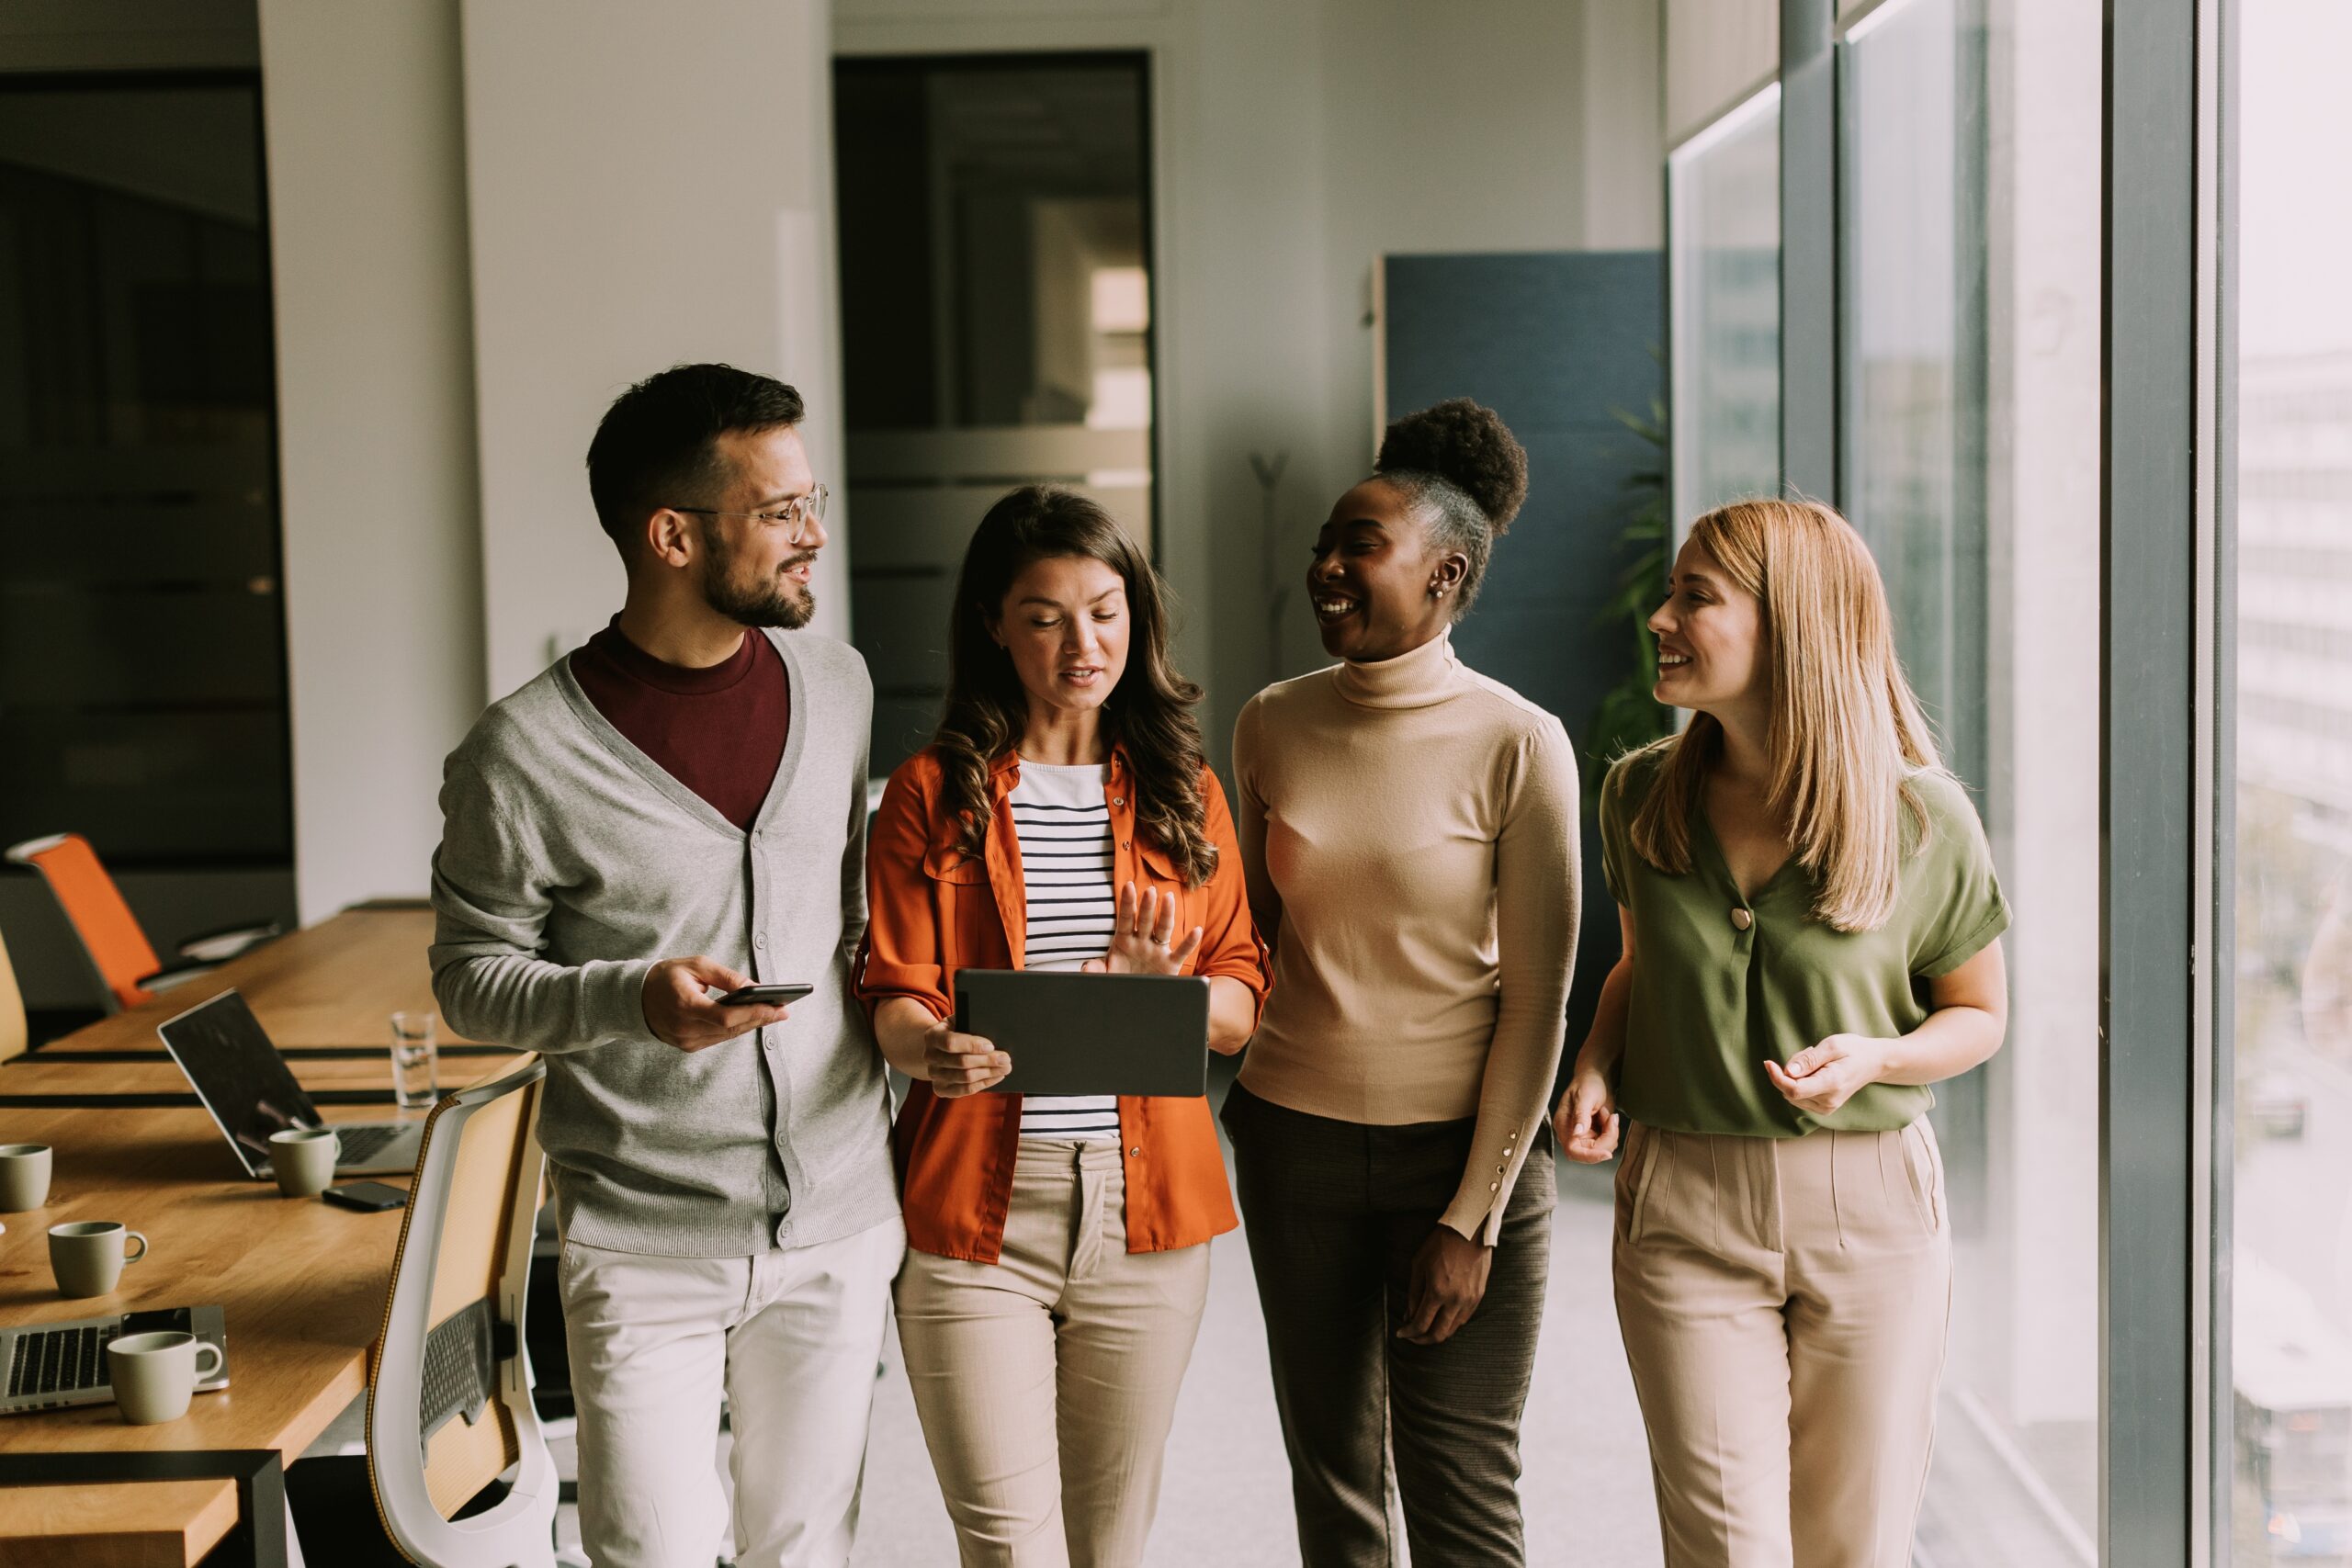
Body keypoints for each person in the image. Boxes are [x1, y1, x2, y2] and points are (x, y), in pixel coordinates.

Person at [429, 363, 901, 1568]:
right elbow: (472, 976)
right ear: (674, 532)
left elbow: (852, 912)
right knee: (652, 1554)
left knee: (805, 1547)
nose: (815, 536)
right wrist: (626, 998)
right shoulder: (521, 752)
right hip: (642, 1242)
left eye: (815, 501)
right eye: (783, 509)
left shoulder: (837, 686)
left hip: (839, 1219)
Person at [1554, 497, 2012, 1568]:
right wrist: (1594, 1063)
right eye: (1669, 591)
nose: (1660, 618)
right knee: (1725, 1549)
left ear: (1789, 625)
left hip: (1873, 1209)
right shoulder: (1635, 798)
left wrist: (1881, 1057)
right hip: (1684, 1204)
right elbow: (1638, 967)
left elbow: (1978, 1015)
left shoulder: (1920, 818)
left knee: (1850, 1546)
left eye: (1694, 597)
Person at [857, 485, 1268, 1567]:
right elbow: (893, 991)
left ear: (1137, 616)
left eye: (1104, 609)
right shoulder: (927, 793)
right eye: (1044, 617)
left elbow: (1237, 1003)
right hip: (973, 1215)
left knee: (1110, 1544)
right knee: (1006, 1544)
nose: (1082, 642)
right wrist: (929, 1048)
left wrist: (1159, 997)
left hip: (1148, 1216)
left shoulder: (1187, 792)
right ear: (995, 624)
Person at [1226, 398, 1579, 1567]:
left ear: (1446, 573)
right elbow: (1252, 947)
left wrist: (1472, 1218)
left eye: (1358, 547)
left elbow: (1537, 1001)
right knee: (1333, 1490)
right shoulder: (1271, 723)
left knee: (1463, 1499)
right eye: (1325, 540)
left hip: (1462, 1157)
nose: (1326, 565)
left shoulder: (1518, 742)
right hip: (1294, 1146)